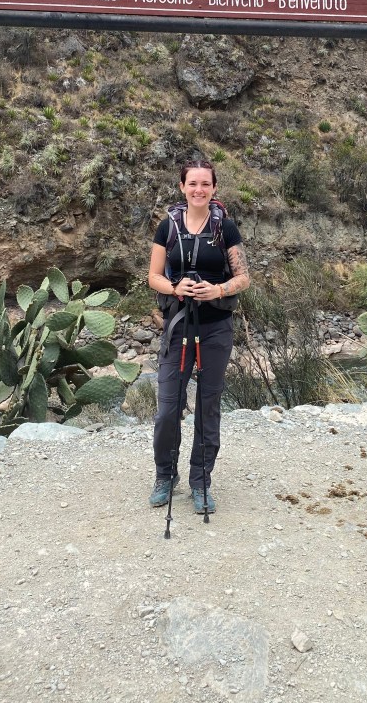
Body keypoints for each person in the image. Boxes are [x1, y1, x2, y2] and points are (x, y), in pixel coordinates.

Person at [147, 159, 250, 514]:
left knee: (208, 406)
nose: (199, 190)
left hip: (215, 328)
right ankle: (165, 475)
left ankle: (201, 482)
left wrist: (217, 290)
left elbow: (243, 278)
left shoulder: (226, 229)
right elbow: (154, 276)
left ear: (214, 188)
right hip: (179, 326)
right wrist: (177, 287)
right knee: (167, 408)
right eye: (193, 184)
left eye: (205, 184)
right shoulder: (168, 227)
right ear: (182, 187)